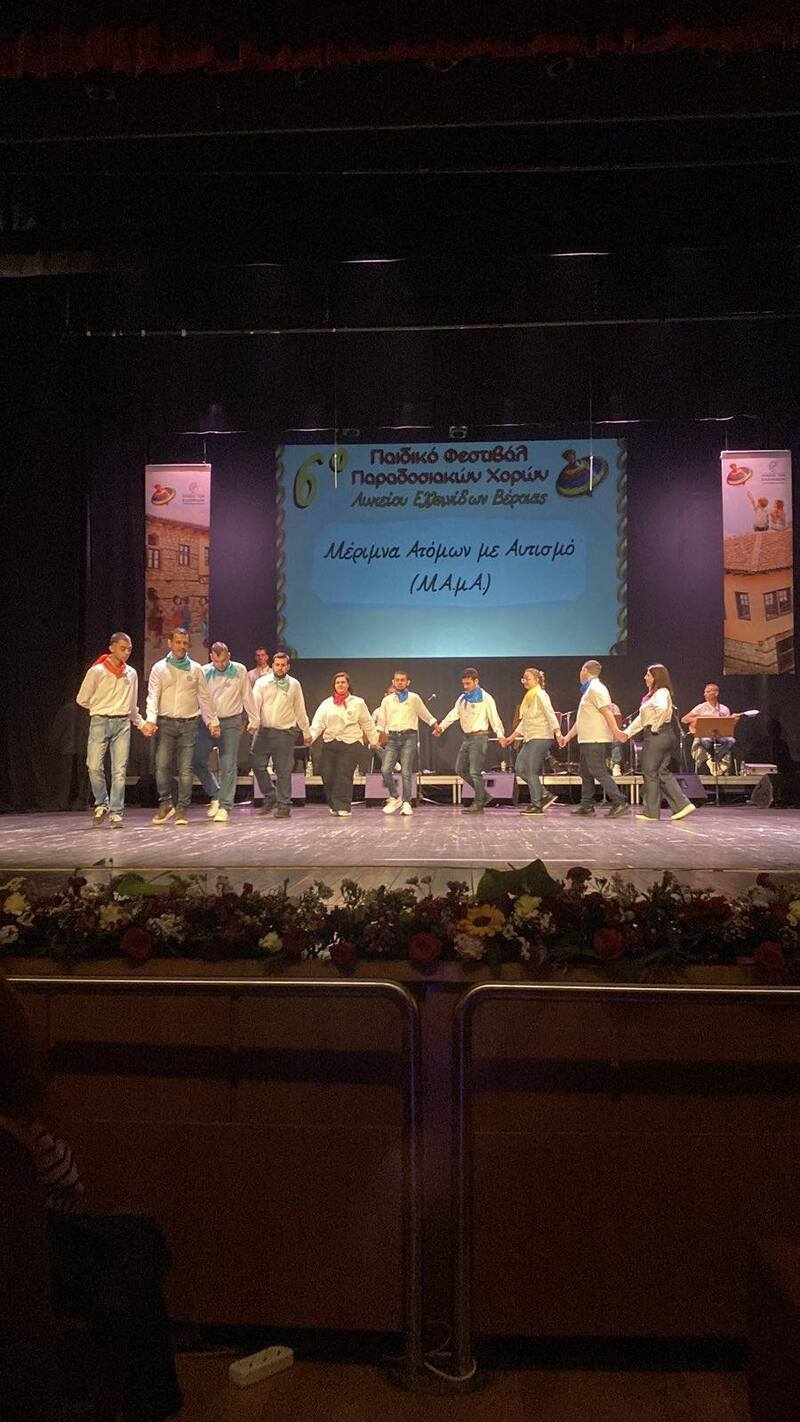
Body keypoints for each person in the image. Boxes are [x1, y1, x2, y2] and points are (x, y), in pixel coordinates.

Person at [0, 972, 183, 1422]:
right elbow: (67, 1194)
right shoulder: (18, 1141)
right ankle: (143, 1404)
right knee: (134, 1243)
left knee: (131, 1241)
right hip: (33, 1259)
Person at [143, 628, 219, 825]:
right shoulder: (159, 668)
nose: (182, 646)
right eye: (178, 642)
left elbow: (204, 697)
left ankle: (182, 809)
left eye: (185, 643)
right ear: (170, 643)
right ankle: (166, 804)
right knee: (162, 766)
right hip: (165, 723)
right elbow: (153, 695)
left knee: (185, 769)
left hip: (189, 724)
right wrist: (150, 719)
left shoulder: (195, 668)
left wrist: (212, 722)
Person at [75, 633, 150, 828]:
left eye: (129, 649)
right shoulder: (97, 671)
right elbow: (82, 699)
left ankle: (116, 812)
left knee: (119, 770)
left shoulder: (131, 673)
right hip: (100, 721)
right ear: (112, 648)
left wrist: (141, 724)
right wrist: (100, 706)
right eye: (122, 648)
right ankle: (102, 803)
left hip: (122, 723)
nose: (126, 652)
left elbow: (132, 705)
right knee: (93, 765)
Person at [620, 664, 695, 822]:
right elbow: (641, 719)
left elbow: (661, 709)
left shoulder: (661, 692)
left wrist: (656, 726)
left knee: (650, 772)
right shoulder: (652, 696)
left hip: (657, 735)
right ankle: (681, 805)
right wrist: (627, 733)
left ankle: (653, 812)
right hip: (662, 735)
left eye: (648, 675)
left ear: (656, 677)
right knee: (661, 771)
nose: (645, 677)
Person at [192, 641, 256, 824]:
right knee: (196, 759)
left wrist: (254, 719)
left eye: (223, 660)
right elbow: (201, 699)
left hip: (231, 722)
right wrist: (210, 722)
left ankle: (225, 806)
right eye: (217, 661)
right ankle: (216, 793)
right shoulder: (204, 671)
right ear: (211, 657)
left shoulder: (239, 670)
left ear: (229, 655)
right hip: (206, 722)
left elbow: (247, 695)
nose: (220, 665)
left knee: (228, 764)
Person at [558, 659, 629, 817]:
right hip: (587, 739)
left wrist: (616, 731)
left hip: (595, 739)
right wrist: (567, 737)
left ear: (585, 670)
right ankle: (587, 805)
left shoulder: (596, 689)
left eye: (581, 671)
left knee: (598, 771)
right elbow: (581, 720)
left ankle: (620, 802)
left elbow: (607, 712)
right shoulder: (589, 690)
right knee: (585, 772)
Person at [248, 649, 312, 818]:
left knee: (283, 770)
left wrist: (306, 732)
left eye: (283, 665)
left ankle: (284, 805)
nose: (280, 668)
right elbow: (254, 705)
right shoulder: (262, 682)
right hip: (264, 731)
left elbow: (300, 709)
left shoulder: (294, 684)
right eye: (277, 665)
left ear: (288, 667)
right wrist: (253, 723)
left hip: (285, 733)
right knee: (257, 764)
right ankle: (270, 795)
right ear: (273, 665)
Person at [434, 667, 505, 814]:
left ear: (476, 681)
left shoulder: (486, 698)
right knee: (460, 769)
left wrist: (500, 734)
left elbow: (494, 717)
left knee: (474, 772)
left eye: (468, 683)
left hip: (479, 737)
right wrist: (441, 727)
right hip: (467, 738)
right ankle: (484, 795)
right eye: (464, 684)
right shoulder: (462, 698)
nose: (465, 686)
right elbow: (454, 714)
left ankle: (478, 803)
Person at [309, 672, 381, 816]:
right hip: (331, 742)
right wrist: (310, 738)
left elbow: (367, 723)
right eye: (337, 682)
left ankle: (343, 806)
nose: (340, 685)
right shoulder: (327, 703)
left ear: (348, 685)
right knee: (327, 774)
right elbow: (318, 723)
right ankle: (334, 804)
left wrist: (374, 740)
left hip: (351, 743)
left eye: (343, 682)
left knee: (343, 774)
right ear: (334, 686)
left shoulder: (358, 703)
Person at [375, 670, 439, 816]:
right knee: (385, 769)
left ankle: (407, 802)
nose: (399, 682)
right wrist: (377, 737)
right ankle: (395, 797)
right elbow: (381, 720)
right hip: (392, 737)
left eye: (402, 680)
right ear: (393, 682)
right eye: (397, 680)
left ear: (407, 682)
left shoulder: (414, 698)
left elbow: (424, 713)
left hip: (409, 736)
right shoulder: (387, 700)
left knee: (406, 771)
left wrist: (435, 725)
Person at [500, 668, 560, 815]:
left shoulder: (540, 695)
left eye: (528, 679)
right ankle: (544, 794)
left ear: (537, 680)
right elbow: (525, 722)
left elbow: (550, 714)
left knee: (530, 770)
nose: (525, 682)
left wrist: (558, 732)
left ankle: (536, 804)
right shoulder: (529, 697)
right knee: (520, 768)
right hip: (530, 737)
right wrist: (512, 737)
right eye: (524, 679)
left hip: (541, 736)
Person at [681, 683, 738, 775]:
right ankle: (715, 759)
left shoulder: (724, 709)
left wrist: (733, 720)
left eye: (707, 692)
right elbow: (684, 719)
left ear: (716, 693)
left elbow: (728, 726)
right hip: (705, 735)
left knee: (731, 740)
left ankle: (716, 758)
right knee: (706, 741)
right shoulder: (701, 707)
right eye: (705, 692)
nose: (705, 694)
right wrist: (700, 718)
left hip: (720, 735)